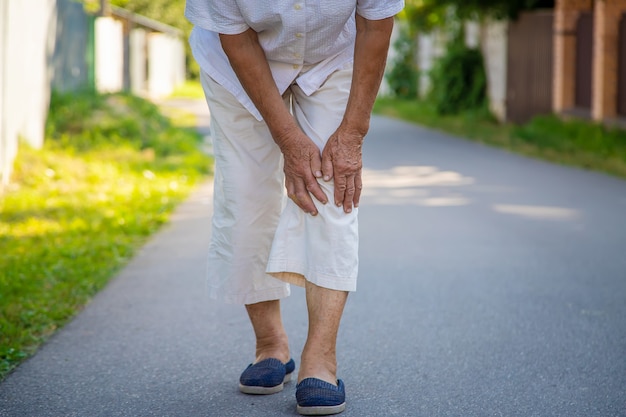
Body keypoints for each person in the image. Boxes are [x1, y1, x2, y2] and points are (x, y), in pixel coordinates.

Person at [185, 1, 403, 415]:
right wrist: (287, 138)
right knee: (246, 196)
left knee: (332, 187)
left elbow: (376, 24)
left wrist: (352, 134)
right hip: (237, 63)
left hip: (332, 58)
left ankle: (320, 360)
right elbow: (239, 37)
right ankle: (270, 345)